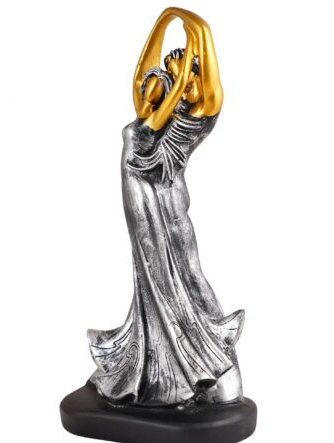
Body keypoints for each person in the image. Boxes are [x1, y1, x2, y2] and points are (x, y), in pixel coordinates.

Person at [88, 7, 244, 406]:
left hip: (169, 204)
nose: (165, 74)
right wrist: (164, 21)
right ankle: (167, 365)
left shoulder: (202, 109)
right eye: (167, 74)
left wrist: (187, 27)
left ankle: (219, 363)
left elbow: (202, 43)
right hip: (144, 196)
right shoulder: (155, 113)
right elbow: (144, 74)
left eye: (178, 72)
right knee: (154, 277)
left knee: (187, 276)